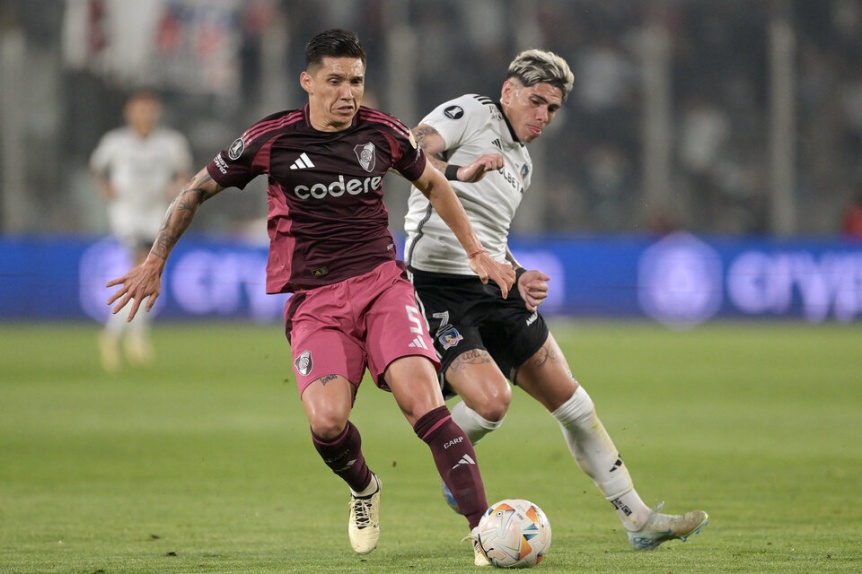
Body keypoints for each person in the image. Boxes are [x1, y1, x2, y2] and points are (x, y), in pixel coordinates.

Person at [105, 29, 515, 565]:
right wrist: (156, 259)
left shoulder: (384, 132)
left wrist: (478, 253)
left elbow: (435, 184)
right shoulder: (269, 139)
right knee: (327, 423)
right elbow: (195, 190)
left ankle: (483, 532)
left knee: (424, 402)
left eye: (357, 81)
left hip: (382, 286)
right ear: (308, 82)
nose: (349, 93)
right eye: (336, 81)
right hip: (316, 300)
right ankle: (365, 488)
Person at [404, 49, 708, 551]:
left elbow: (492, 235)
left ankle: (638, 519)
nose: (543, 116)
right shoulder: (471, 112)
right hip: (437, 285)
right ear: (508, 91)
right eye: (536, 101)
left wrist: (518, 275)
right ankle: (455, 459)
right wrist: (461, 173)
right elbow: (410, 150)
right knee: (492, 403)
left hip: (493, 282)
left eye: (553, 109)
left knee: (574, 402)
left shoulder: (521, 163)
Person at [90, 90, 193, 373]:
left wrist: (177, 188)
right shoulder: (116, 142)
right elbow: (98, 169)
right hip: (127, 214)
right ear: (129, 112)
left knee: (148, 272)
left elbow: (184, 172)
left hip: (156, 214)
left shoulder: (171, 142)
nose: (145, 115)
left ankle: (122, 336)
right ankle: (125, 337)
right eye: (139, 109)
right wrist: (106, 188)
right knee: (142, 266)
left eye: (149, 109)